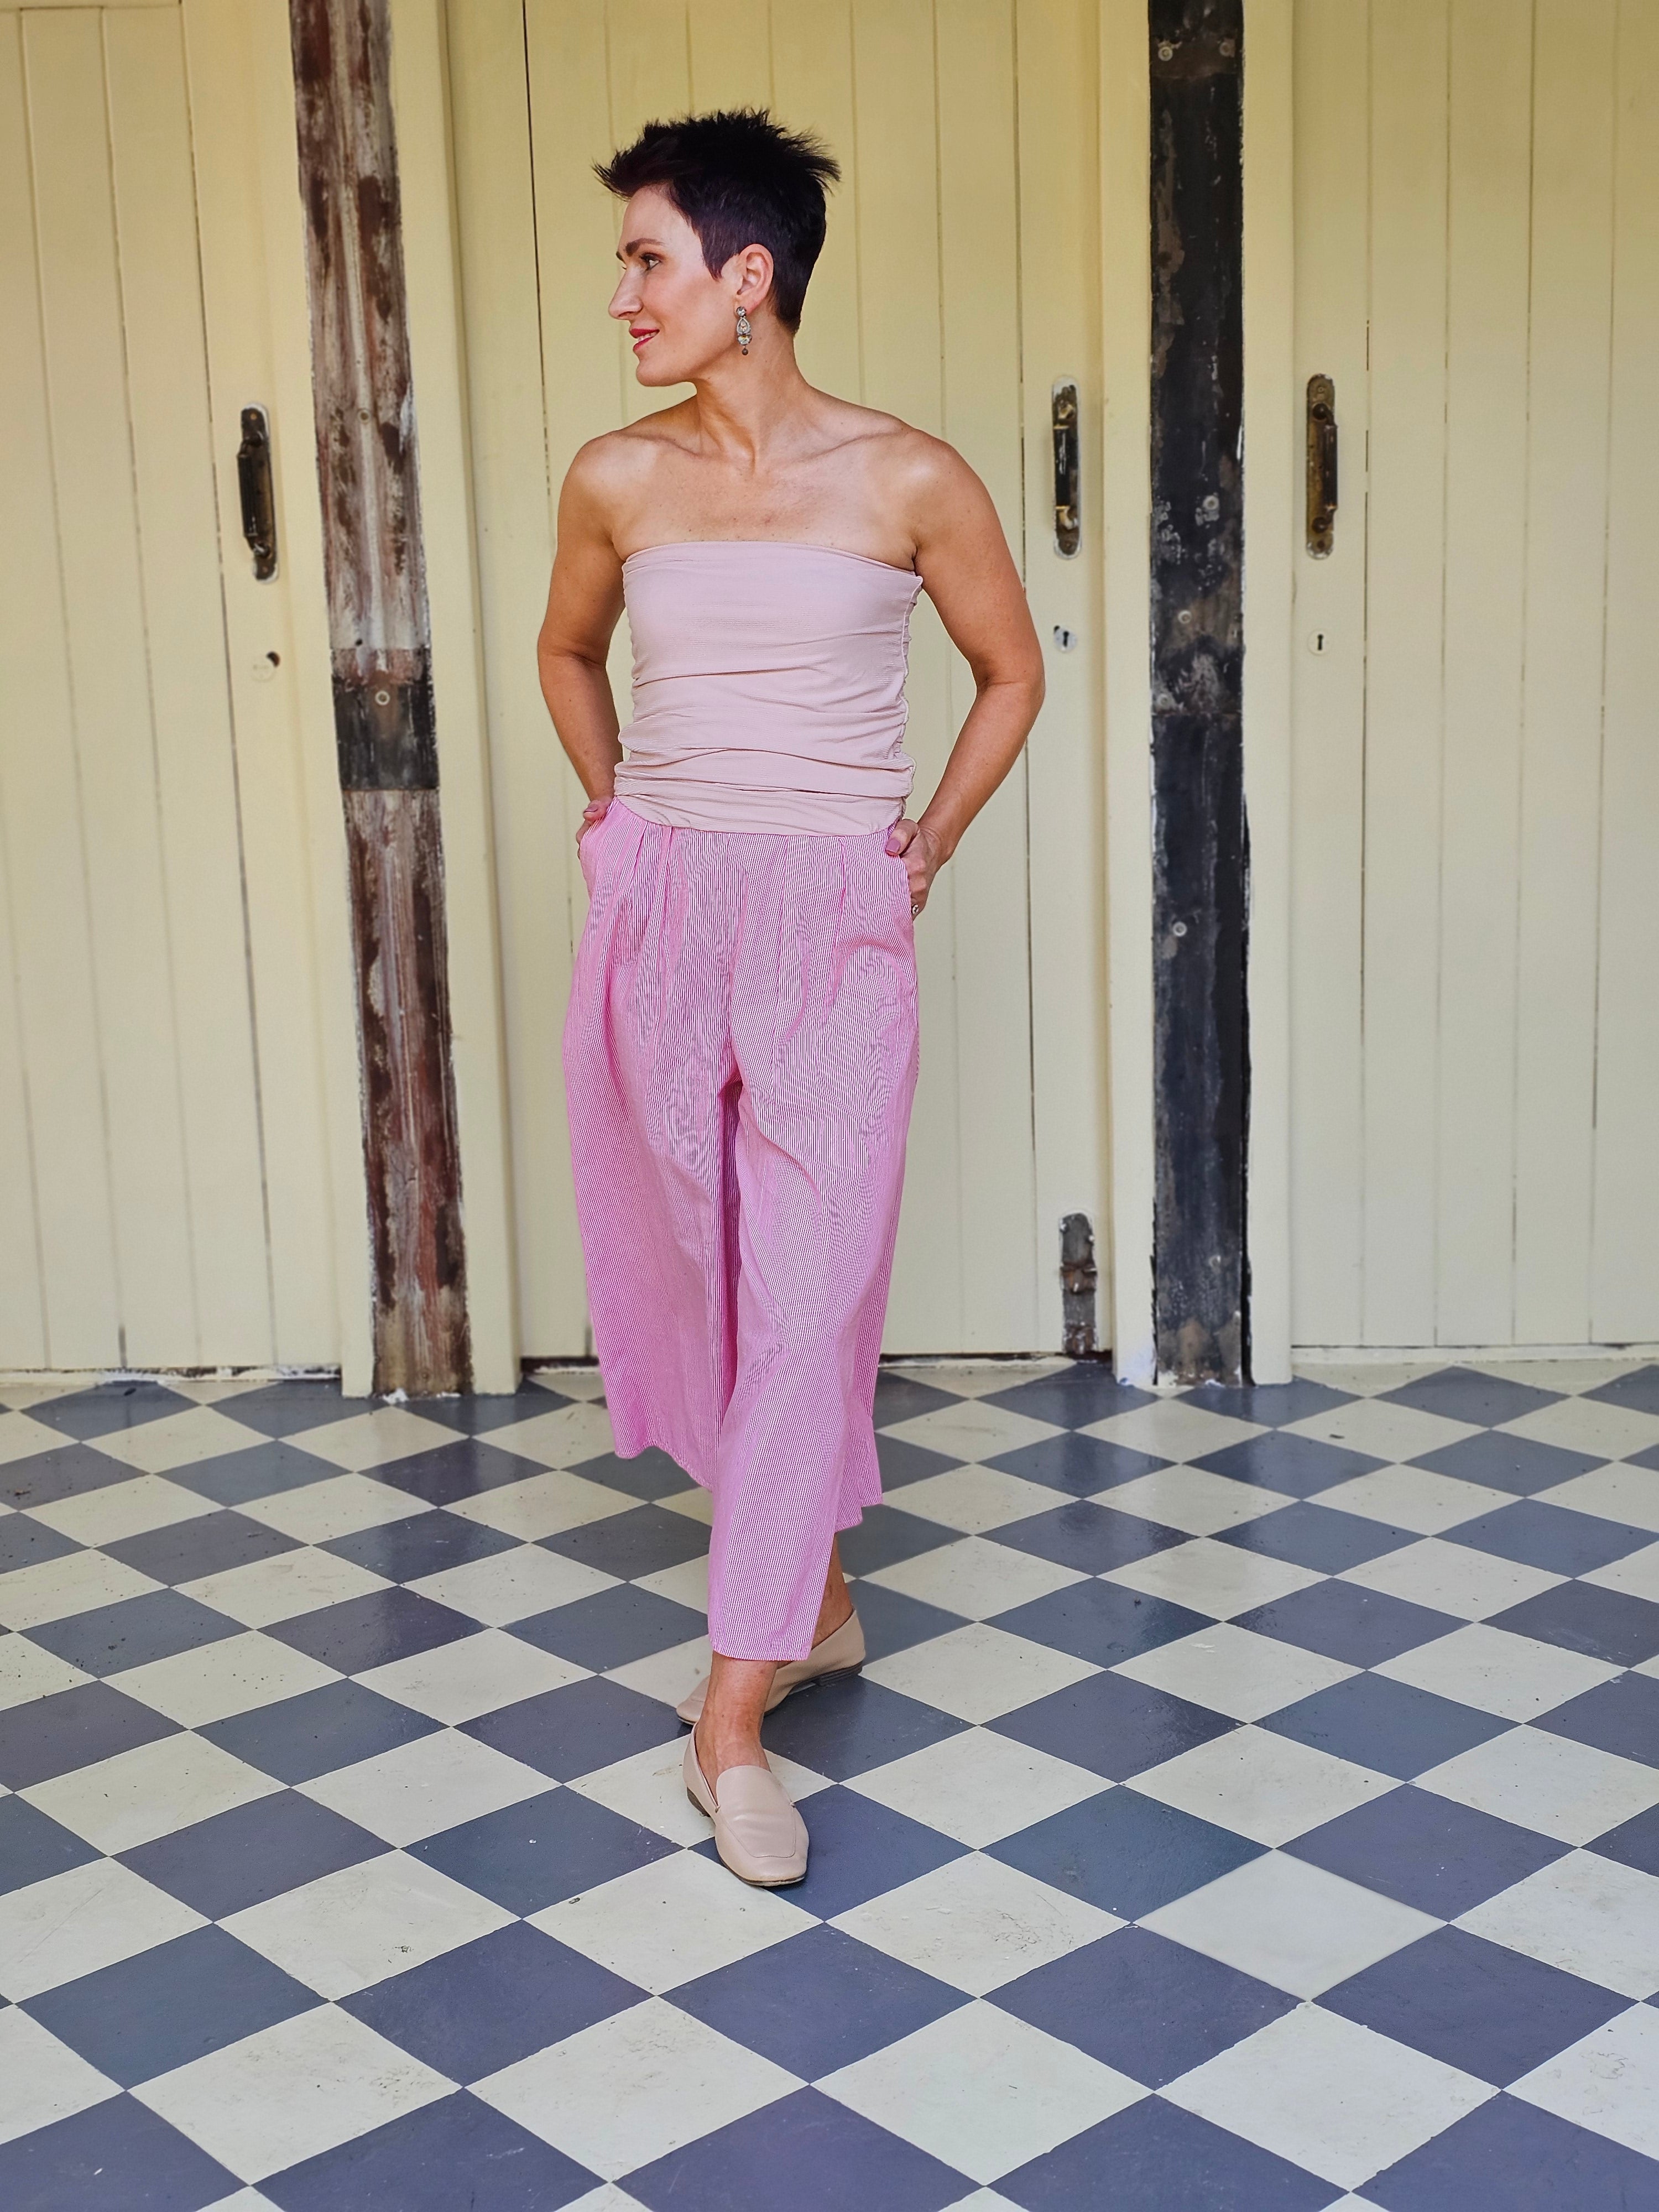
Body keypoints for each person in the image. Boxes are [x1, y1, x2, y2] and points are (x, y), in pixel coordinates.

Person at [538, 109, 1044, 1886]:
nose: (624, 296)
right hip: (668, 909)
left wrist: (923, 849)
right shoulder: (618, 477)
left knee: (813, 1303)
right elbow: (565, 649)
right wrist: (617, 822)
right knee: (706, 1282)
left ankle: (729, 1722)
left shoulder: (909, 479)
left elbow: (1009, 671)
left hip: (834, 918)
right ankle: (812, 1600)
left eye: (647, 260)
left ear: (747, 275)